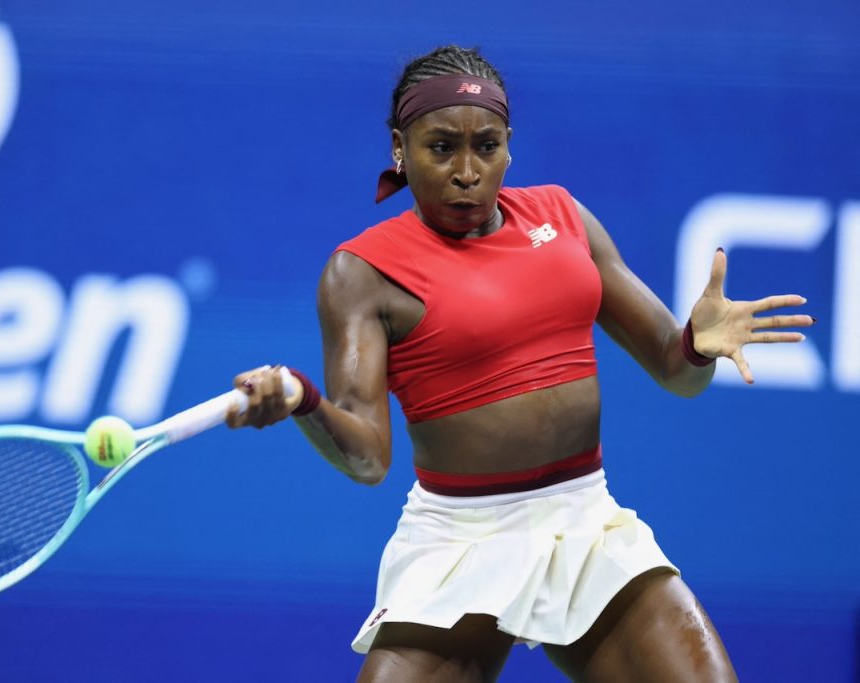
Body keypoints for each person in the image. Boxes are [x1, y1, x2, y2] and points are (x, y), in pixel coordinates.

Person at [226, 45, 813, 683]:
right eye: (441, 148)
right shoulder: (362, 272)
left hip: (586, 524)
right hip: (458, 540)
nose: (467, 172)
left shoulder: (564, 217)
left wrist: (697, 345)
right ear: (399, 148)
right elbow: (368, 460)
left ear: (509, 147)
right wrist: (302, 400)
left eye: (487, 147)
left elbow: (677, 373)